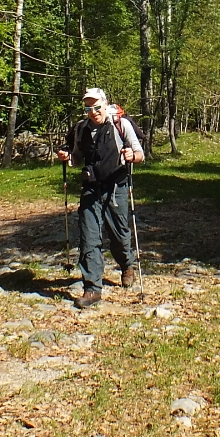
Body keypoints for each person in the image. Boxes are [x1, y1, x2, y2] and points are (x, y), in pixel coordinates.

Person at [56, 88, 144, 308]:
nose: (93, 111)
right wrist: (67, 157)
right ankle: (92, 289)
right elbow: (76, 158)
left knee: (119, 234)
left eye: (96, 107)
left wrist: (132, 156)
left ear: (105, 104)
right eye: (88, 108)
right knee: (89, 237)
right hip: (91, 187)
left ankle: (127, 265)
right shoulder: (81, 129)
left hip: (116, 186)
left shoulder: (120, 125)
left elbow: (140, 153)